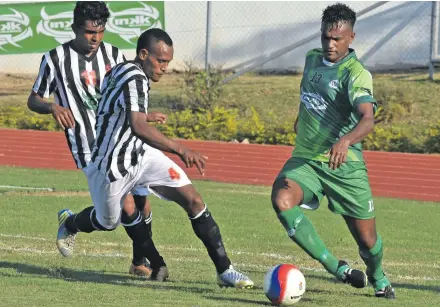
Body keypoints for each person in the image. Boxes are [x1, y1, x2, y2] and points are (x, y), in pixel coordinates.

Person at [56, 28, 254, 289]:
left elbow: (111, 106)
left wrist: (144, 116)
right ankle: (70, 221)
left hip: (141, 154)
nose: (165, 68)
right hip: (112, 164)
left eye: (168, 62)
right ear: (143, 54)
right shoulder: (135, 77)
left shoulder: (122, 69)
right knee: (108, 221)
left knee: (193, 200)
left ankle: (225, 270)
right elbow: (138, 127)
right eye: (161, 61)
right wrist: (181, 149)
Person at [27, 1, 167, 280]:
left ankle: (139, 262)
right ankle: (152, 261)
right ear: (75, 29)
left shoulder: (114, 55)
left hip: (123, 140)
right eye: (90, 32)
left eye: (101, 31)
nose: (96, 38)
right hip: (89, 147)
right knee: (120, 210)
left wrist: (144, 116)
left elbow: (127, 93)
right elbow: (33, 100)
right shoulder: (54, 59)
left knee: (141, 204)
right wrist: (53, 107)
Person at [270, 3, 395, 299]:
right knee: (282, 198)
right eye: (326, 37)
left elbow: (367, 118)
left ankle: (378, 276)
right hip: (307, 159)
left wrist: (346, 140)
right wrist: (301, 118)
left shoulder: (356, 73)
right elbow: (310, 95)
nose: (330, 44)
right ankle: (336, 267)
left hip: (344, 164)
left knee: (367, 241)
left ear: (351, 37)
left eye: (337, 39)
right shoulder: (311, 59)